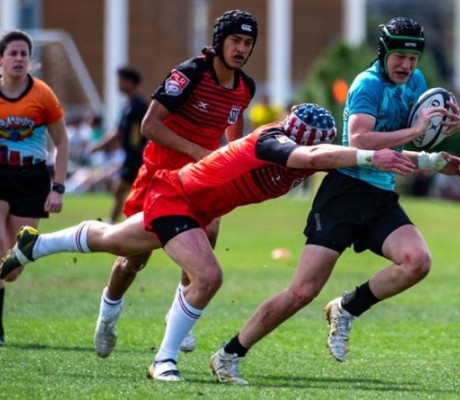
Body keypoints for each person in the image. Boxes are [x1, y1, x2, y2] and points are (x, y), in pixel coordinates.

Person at [0, 103, 416, 381]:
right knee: (208, 276)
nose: (315, 152)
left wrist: (430, 160)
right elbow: (308, 159)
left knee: (113, 240)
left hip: (190, 205)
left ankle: (35, 245)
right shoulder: (273, 142)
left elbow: (322, 158)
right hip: (176, 198)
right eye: (311, 143)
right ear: (294, 135)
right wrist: (363, 155)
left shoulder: (306, 154)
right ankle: (164, 360)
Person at [209, 17, 460, 385]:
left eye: (413, 59)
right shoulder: (367, 84)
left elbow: (412, 139)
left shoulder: (416, 83)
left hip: (381, 193)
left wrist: (439, 142)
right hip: (345, 192)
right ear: (384, 53)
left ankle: (347, 308)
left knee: (417, 261)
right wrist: (416, 132)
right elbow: (360, 140)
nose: (406, 66)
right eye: (399, 56)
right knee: (302, 291)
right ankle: (229, 354)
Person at [93, 9, 258, 359]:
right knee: (133, 259)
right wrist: (198, 151)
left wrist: (232, 159)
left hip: (201, 178)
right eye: (235, 40)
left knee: (209, 234)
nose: (241, 48)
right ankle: (109, 313)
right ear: (219, 42)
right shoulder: (189, 74)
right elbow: (149, 126)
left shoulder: (245, 86)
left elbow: (234, 132)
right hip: (158, 176)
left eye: (248, 42)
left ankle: (177, 311)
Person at [0, 29, 70, 346]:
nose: (18, 59)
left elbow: (63, 141)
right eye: (12, 53)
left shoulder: (42, 95)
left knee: (11, 267)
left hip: (31, 180)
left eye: (23, 54)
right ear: (1, 59)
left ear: (31, 60)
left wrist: (58, 188)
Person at [91, 66, 148, 223]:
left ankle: (116, 224)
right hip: (131, 155)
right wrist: (101, 146)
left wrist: (139, 152)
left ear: (130, 82)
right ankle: (119, 223)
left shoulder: (138, 105)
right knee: (125, 190)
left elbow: (142, 131)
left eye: (121, 80)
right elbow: (119, 131)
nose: (118, 84)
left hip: (137, 156)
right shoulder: (128, 105)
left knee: (124, 189)